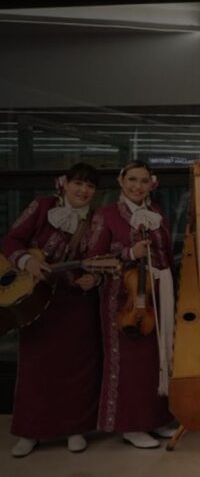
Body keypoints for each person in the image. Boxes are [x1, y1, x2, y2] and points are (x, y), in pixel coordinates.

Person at [3, 163, 102, 457]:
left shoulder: (95, 220)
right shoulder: (42, 206)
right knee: (36, 367)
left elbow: (96, 260)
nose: (83, 191)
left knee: (78, 368)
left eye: (90, 187)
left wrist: (94, 278)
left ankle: (76, 429)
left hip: (74, 303)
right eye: (78, 184)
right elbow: (10, 240)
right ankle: (30, 431)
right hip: (35, 300)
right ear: (65, 184)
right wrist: (27, 262)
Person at [88, 160, 175, 449]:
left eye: (144, 180)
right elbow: (93, 259)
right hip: (123, 299)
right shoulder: (106, 215)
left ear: (152, 184)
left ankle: (155, 419)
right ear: (121, 182)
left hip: (156, 294)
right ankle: (131, 425)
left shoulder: (156, 213)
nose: (138, 186)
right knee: (130, 362)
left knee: (156, 359)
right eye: (132, 180)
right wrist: (128, 252)